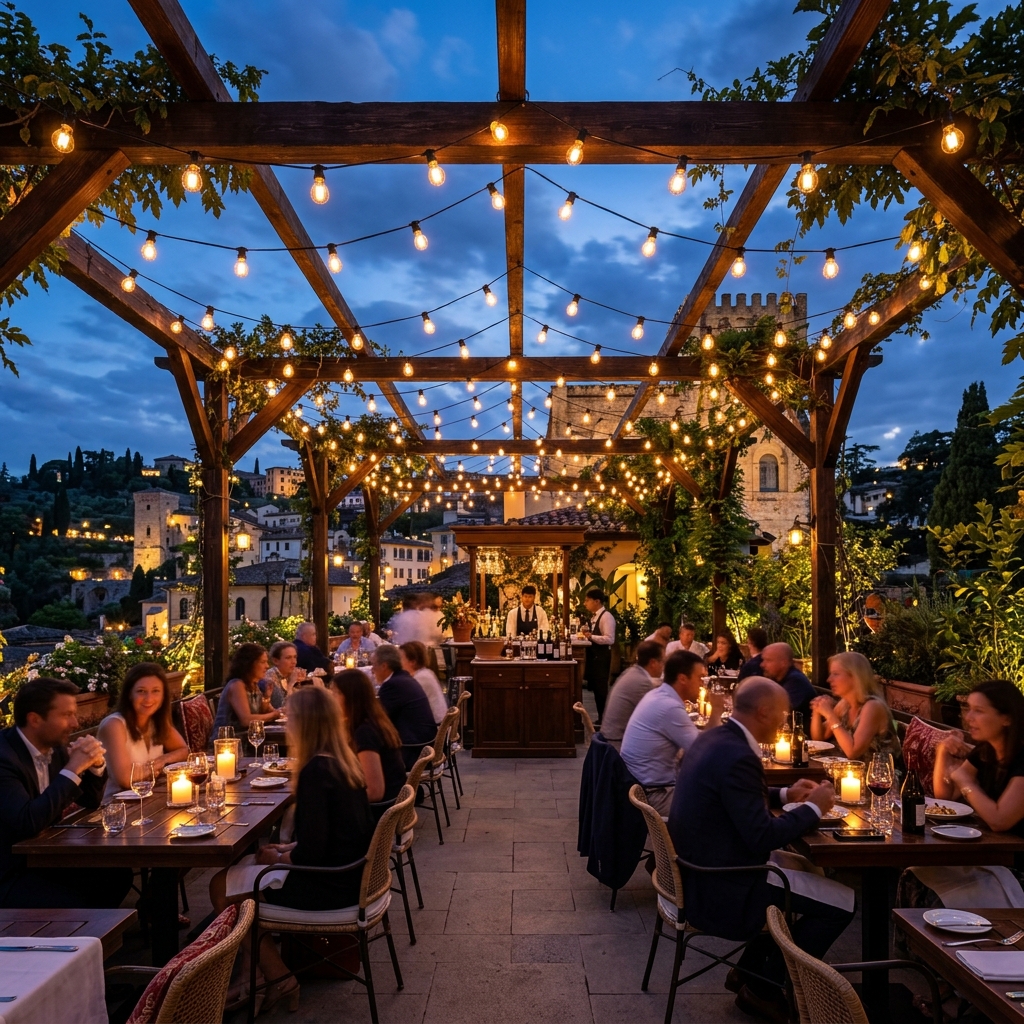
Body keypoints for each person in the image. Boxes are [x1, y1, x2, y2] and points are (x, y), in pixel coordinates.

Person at [669, 677, 854, 1022]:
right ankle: (763, 989)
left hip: (701, 868)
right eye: (783, 714)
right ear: (765, 711)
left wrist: (785, 796)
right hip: (725, 882)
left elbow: (729, 799)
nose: (784, 721)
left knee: (803, 871)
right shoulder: (739, 754)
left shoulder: (715, 737)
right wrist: (815, 808)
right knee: (843, 903)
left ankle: (750, 971)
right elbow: (761, 837)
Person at [211, 685, 374, 1014]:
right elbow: (331, 836)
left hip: (329, 887)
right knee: (244, 871)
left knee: (221, 887)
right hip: (351, 876)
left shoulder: (317, 771)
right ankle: (252, 976)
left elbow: (312, 854)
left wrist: (281, 856)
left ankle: (278, 977)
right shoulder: (343, 763)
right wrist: (287, 847)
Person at [0, 677, 133, 909]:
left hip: (43, 859)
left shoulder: (54, 748)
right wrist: (73, 768)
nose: (75, 723)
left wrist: (94, 765)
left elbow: (91, 801)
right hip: (9, 871)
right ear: (35, 719)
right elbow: (26, 822)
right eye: (66, 715)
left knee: (116, 875)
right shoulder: (4, 758)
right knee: (70, 901)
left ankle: (91, 938)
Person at [900, 680, 1024, 910]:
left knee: (929, 886)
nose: (969, 718)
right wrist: (942, 753)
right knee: (915, 875)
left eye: (979, 711)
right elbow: (945, 798)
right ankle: (917, 945)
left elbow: (999, 820)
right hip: (987, 855)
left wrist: (965, 781)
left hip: (1014, 869)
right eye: (969, 709)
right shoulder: (986, 751)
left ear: (1006, 718)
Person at [620, 650, 723, 815]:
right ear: (682, 679)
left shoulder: (658, 695)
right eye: (699, 678)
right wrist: (717, 712)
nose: (702, 684)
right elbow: (702, 750)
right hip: (655, 796)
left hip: (640, 786)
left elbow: (696, 744)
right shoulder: (669, 706)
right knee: (721, 807)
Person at [98, 663, 188, 803]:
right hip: (119, 808)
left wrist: (162, 760)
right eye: (141, 691)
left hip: (151, 800)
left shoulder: (155, 721)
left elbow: (183, 750)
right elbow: (126, 780)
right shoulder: (114, 725)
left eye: (155, 691)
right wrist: (154, 769)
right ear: (129, 694)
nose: (149, 698)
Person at [810, 651, 903, 767]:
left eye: (836, 674)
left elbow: (853, 752)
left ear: (854, 677)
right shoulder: (845, 704)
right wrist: (817, 709)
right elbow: (819, 738)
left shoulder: (873, 707)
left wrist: (830, 715)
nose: (829, 679)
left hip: (879, 780)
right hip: (851, 775)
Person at [332, 669, 406, 806]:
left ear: (350, 697)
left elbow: (374, 792)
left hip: (380, 812)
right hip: (392, 804)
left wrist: (336, 801)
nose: (332, 698)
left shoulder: (365, 732)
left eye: (336, 693)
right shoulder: (374, 720)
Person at [372, 644, 437, 768]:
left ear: (384, 666)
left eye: (374, 665)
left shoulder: (393, 685)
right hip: (424, 745)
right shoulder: (404, 678)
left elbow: (377, 719)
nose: (372, 670)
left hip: (412, 751)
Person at [600, 640, 664, 750]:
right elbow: (657, 719)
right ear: (653, 663)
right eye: (662, 661)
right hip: (617, 747)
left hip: (610, 739)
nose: (663, 666)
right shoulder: (642, 682)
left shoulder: (632, 672)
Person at [212, 643, 282, 735]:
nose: (267, 666)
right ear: (249, 664)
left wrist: (266, 698)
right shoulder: (237, 685)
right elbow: (246, 720)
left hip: (249, 737)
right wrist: (274, 715)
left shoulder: (253, 684)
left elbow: (263, 712)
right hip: (229, 741)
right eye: (263, 662)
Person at [581, 588, 616, 724]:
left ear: (597, 601)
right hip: (594, 658)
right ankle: (602, 718)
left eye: (587, 600)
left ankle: (606, 720)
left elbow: (609, 639)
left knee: (601, 690)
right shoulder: (594, 616)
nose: (585, 603)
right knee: (596, 690)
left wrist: (591, 636)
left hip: (601, 658)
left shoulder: (606, 617)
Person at [760, 642, 816, 722]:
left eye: (768, 660)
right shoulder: (778, 678)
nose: (762, 665)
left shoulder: (796, 682)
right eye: (763, 660)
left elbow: (776, 714)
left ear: (784, 663)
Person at [399, 641, 448, 725]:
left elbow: (401, 702)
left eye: (400, 658)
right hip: (433, 723)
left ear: (412, 662)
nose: (398, 662)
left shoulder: (421, 678)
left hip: (432, 727)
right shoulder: (426, 672)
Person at [260, 641, 306, 709]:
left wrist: (300, 683)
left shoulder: (288, 673)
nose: (294, 662)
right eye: (288, 658)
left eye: (295, 657)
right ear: (276, 661)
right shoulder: (270, 678)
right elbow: (283, 706)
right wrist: (291, 683)